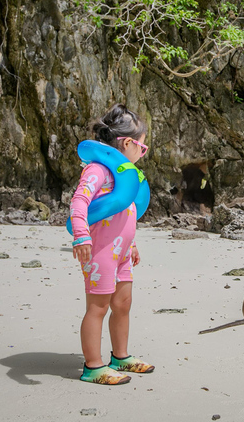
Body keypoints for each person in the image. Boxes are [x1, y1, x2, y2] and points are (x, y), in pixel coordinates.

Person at [70, 103, 154, 384]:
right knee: (98, 307)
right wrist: (80, 235)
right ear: (128, 143)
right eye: (142, 148)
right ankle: (93, 366)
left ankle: (120, 356)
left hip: (121, 253)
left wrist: (130, 245)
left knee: (123, 303)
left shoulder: (125, 178)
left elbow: (123, 214)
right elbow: (80, 201)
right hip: (99, 251)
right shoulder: (98, 171)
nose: (143, 153)